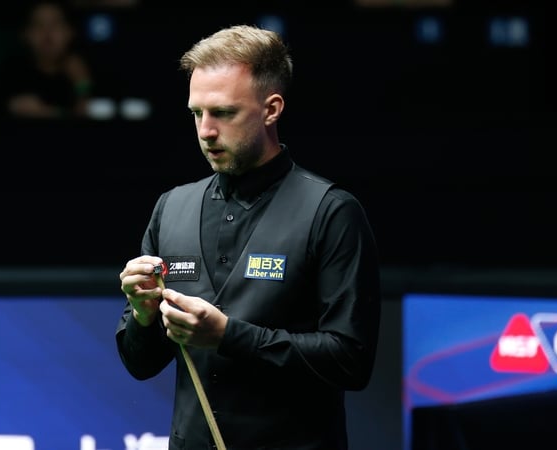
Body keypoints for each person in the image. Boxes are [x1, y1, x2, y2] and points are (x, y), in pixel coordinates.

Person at [116, 24, 381, 450]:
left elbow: (351, 361)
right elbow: (140, 363)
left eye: (223, 113)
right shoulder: (171, 208)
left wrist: (227, 335)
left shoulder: (331, 212)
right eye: (196, 113)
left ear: (271, 109)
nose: (205, 131)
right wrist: (143, 314)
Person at [0, 0, 93, 119]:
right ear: (25, 34)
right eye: (38, 25)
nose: (47, 32)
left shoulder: (84, 67)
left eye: (56, 24)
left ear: (70, 32)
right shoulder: (12, 71)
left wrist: (82, 83)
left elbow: (87, 112)